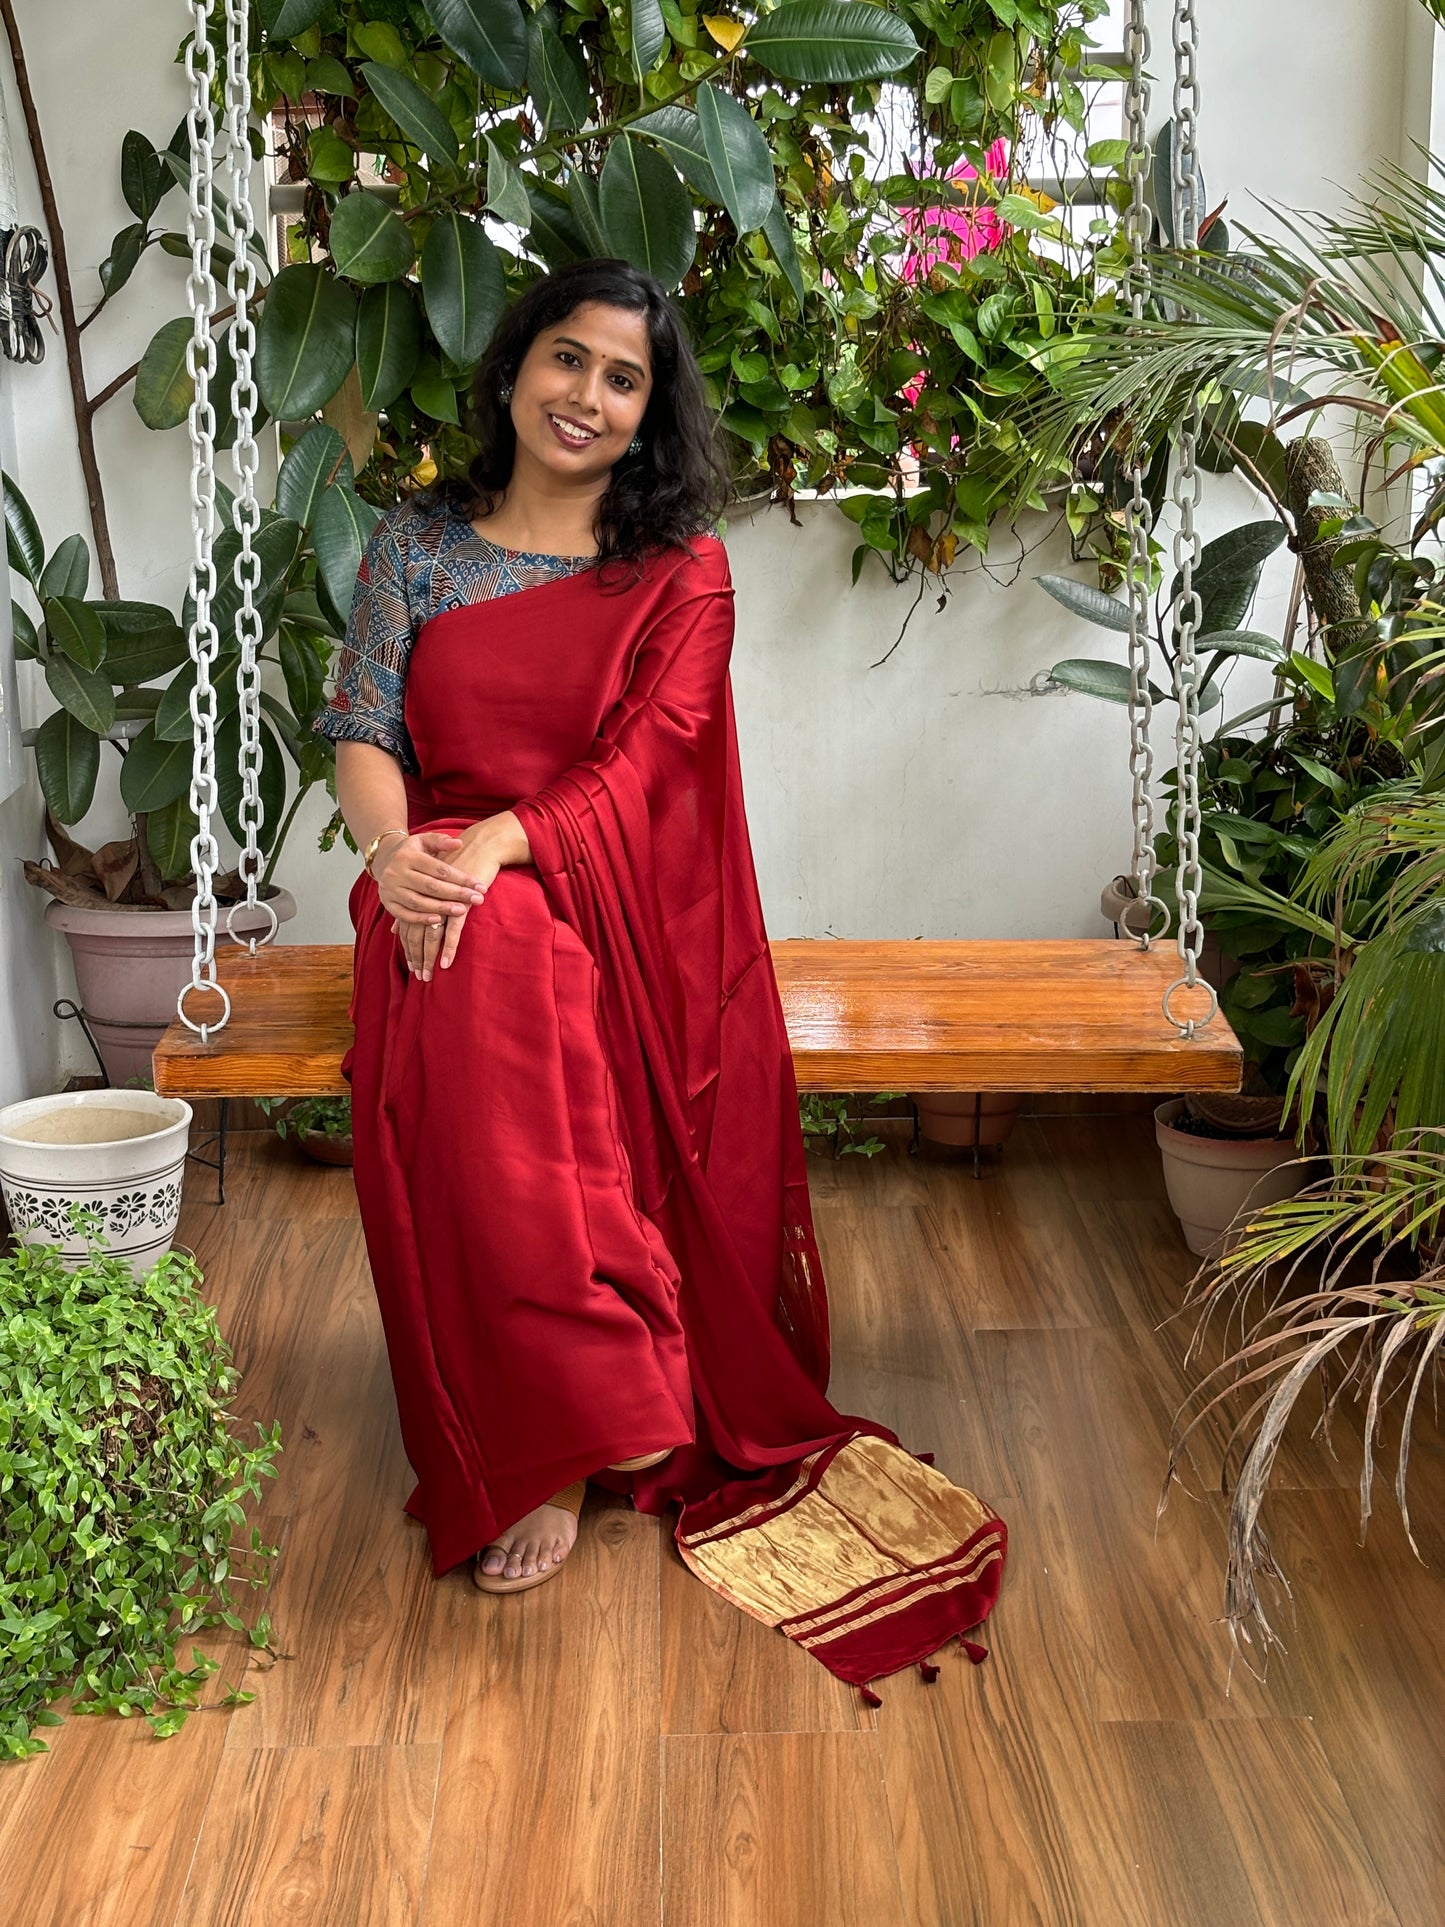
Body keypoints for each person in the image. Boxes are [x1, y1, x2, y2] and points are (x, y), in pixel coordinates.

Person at [314, 258, 1004, 1699]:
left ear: (649, 413)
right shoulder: (417, 546)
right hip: (430, 889)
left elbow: (646, 764)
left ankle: (555, 1429)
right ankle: (580, 1415)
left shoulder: (678, 567)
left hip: (594, 891)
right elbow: (363, 728)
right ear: (514, 369)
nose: (587, 397)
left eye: (622, 379)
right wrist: (393, 861)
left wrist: (499, 848)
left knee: (496, 956)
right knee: (474, 954)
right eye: (567, 359)